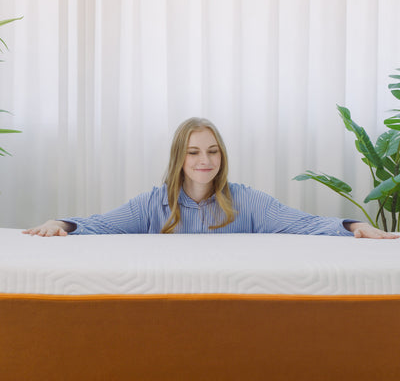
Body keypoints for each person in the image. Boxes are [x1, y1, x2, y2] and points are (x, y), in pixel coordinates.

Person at [23, 117, 399, 239]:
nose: (206, 160)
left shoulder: (247, 200)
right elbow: (102, 224)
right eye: (194, 152)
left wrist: (353, 227)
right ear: (179, 158)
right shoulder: (154, 203)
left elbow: (304, 223)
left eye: (213, 151)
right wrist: (62, 224)